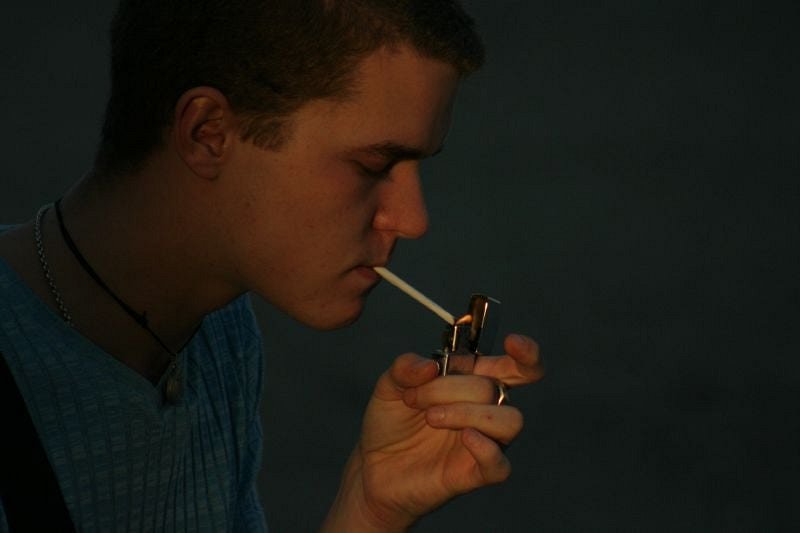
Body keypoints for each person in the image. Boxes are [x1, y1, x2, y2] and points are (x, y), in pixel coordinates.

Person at [0, 0, 544, 530]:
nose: (412, 220)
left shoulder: (219, 331)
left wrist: (372, 510)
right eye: (372, 165)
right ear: (208, 133)